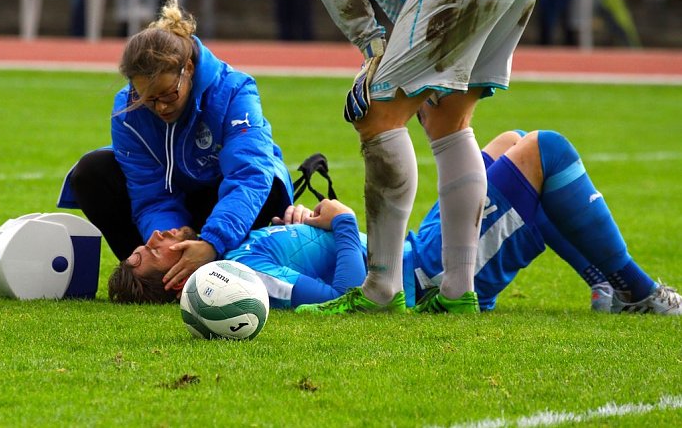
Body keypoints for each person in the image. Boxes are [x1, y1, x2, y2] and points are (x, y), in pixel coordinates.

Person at [179, 0, 543, 315]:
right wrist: (384, 45)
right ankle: (458, 292)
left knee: (376, 114)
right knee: (449, 119)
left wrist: (370, 46)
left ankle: (380, 289)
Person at [108, 130, 682, 316]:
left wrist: (306, 222)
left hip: (414, 247)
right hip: (427, 278)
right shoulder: (244, 280)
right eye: (148, 254)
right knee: (545, 153)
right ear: (177, 281)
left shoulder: (236, 251)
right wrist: (341, 221)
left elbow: (314, 253)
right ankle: (637, 288)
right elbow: (347, 296)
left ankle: (606, 280)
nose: (155, 236)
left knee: (507, 143)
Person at [57, 0, 294, 289]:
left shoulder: (235, 90)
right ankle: (162, 279)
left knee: (267, 186)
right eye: (149, 99)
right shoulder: (128, 110)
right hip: (177, 205)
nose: (161, 108)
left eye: (168, 95)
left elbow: (248, 175)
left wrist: (211, 242)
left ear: (189, 70)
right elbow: (150, 194)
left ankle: (223, 265)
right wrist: (170, 245)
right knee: (92, 172)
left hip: (227, 201)